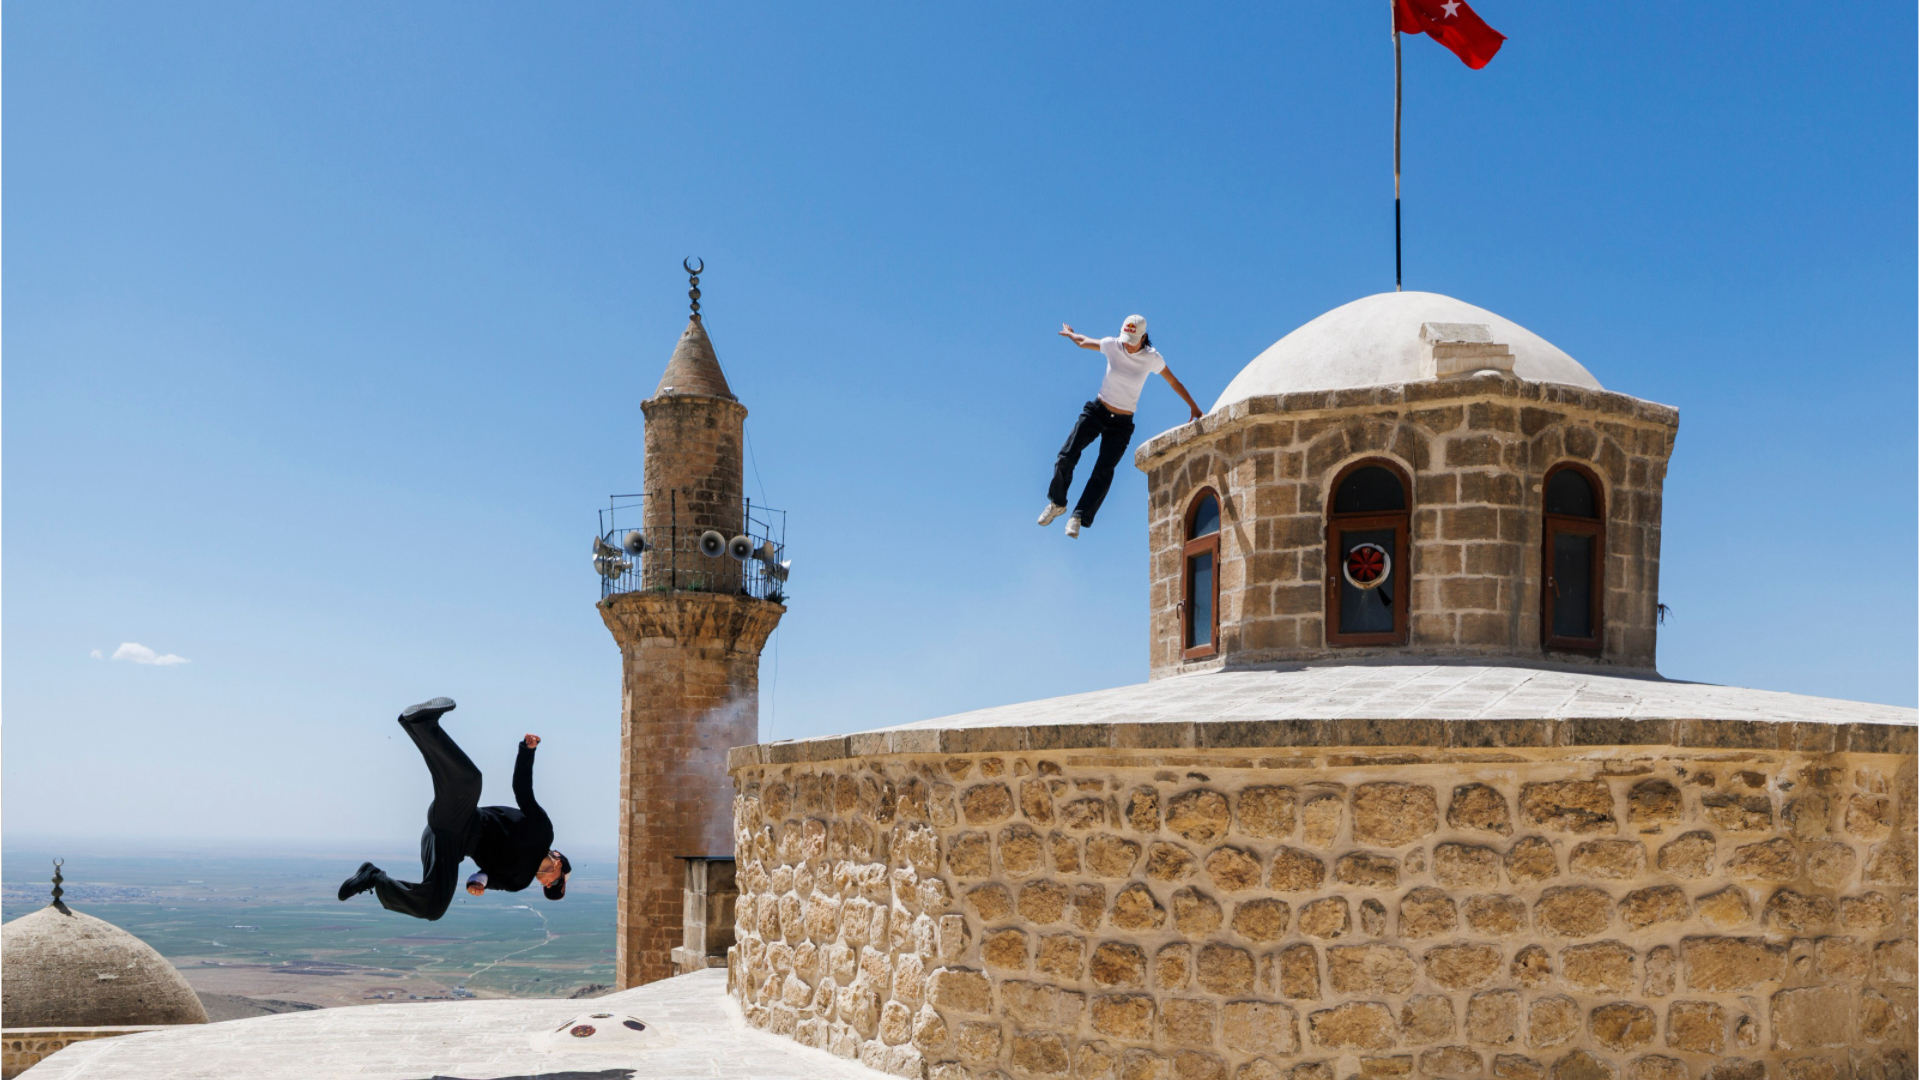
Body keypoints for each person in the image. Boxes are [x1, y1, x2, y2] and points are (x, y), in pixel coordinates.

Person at [337, 697, 570, 920]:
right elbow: (522, 791)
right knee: (470, 780)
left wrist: (476, 883)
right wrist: (527, 752)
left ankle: (373, 878)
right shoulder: (543, 832)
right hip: (463, 817)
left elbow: (485, 877)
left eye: (549, 888)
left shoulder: (519, 881)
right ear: (558, 861)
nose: (548, 884)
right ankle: (419, 723)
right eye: (556, 882)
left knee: (434, 907)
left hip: (449, 846)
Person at [1042, 314, 1203, 537]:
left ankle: (1079, 516)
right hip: (1097, 411)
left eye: (1132, 340)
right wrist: (1070, 334)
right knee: (1066, 455)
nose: (1127, 343)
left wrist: (1193, 406)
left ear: (1144, 337)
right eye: (1125, 338)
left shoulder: (1152, 358)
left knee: (1103, 472)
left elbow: (1174, 381)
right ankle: (1058, 502)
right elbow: (1084, 341)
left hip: (1122, 425)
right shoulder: (1113, 345)